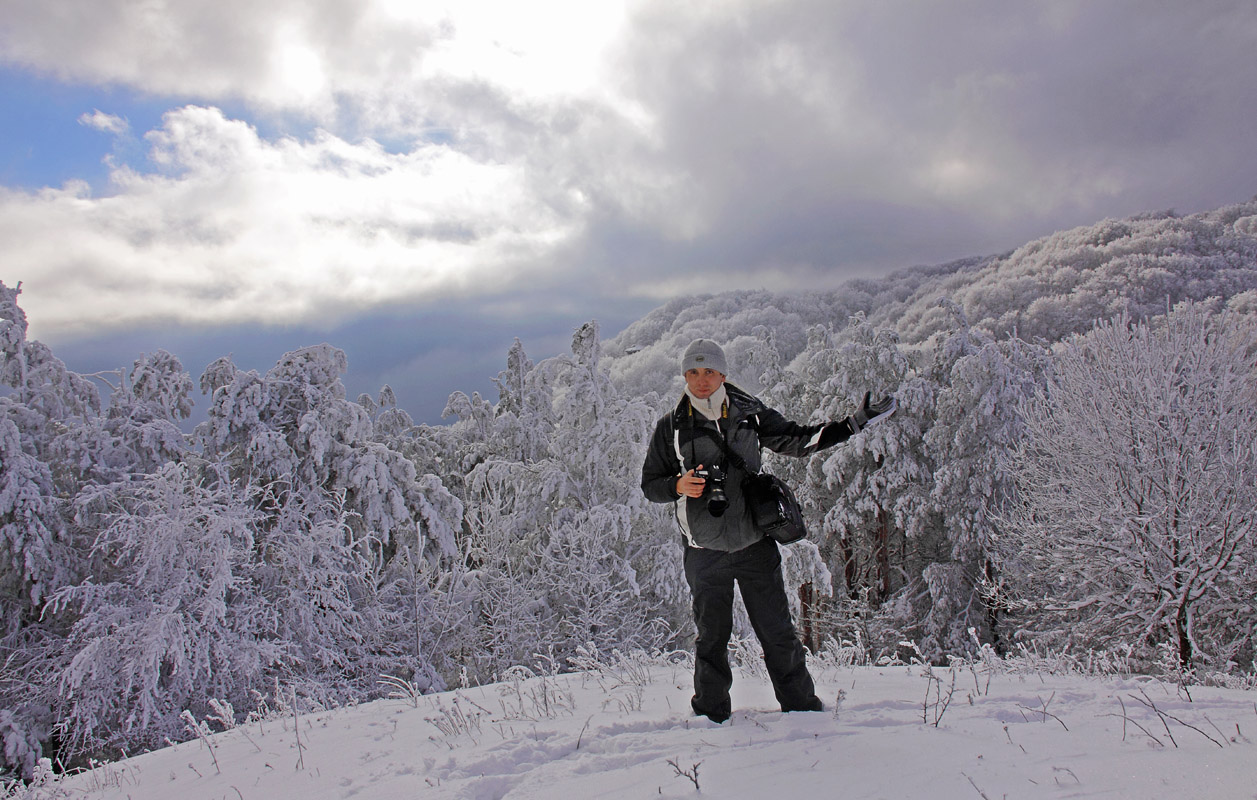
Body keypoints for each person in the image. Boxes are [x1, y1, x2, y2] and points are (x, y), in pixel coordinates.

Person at [640, 338, 895, 723]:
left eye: (709, 371)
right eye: (693, 372)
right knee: (710, 638)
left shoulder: (749, 412)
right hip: (703, 550)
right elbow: (649, 485)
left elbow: (797, 440)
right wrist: (678, 485)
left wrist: (852, 424)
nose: (701, 379)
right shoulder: (671, 427)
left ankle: (802, 710)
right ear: (684, 376)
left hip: (754, 544)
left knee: (777, 631)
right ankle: (710, 716)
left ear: (722, 373)